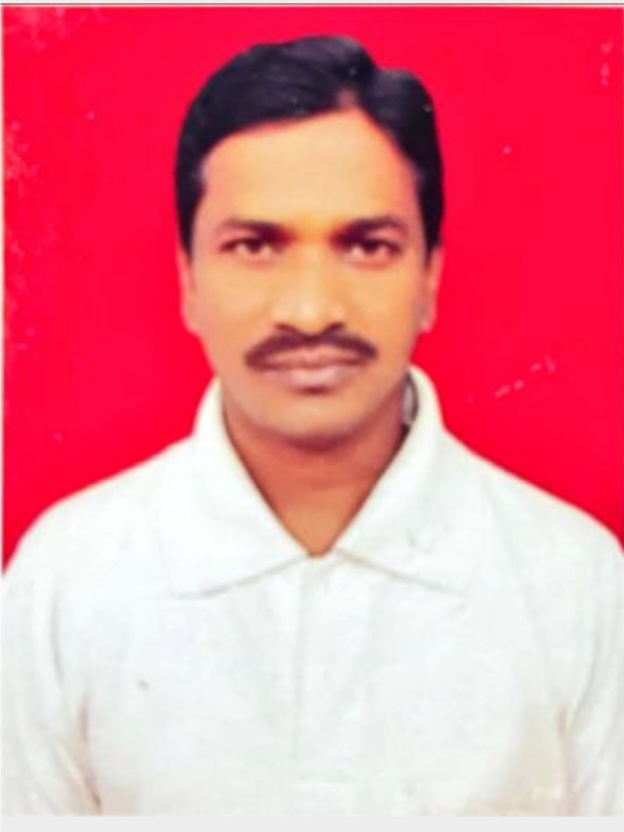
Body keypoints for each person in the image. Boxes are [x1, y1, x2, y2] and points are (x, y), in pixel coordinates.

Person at [2, 35, 623, 817]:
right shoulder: (66, 580)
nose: (309, 311)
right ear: (188, 280)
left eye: (367, 246)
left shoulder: (577, 584)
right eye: (255, 246)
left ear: (429, 277)